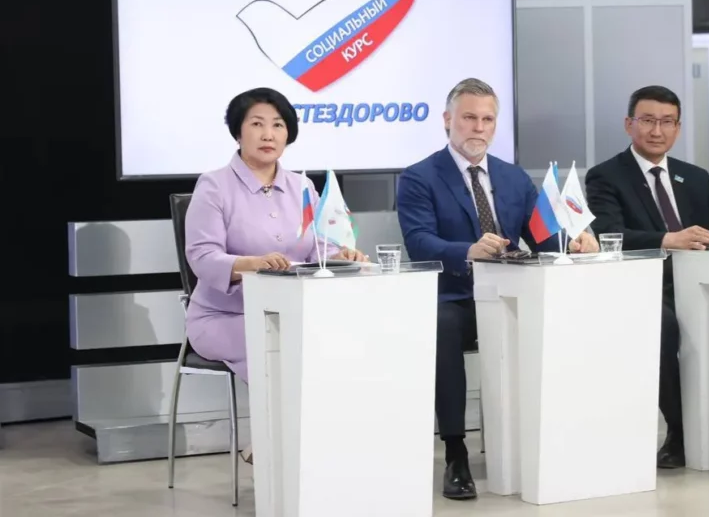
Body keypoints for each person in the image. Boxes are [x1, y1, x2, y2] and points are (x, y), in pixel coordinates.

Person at [396, 78, 599, 500]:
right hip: (456, 296)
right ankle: (456, 452)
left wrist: (574, 240)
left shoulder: (513, 177)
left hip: (513, 294)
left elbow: (543, 236)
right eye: (469, 118)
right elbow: (419, 242)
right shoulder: (419, 177)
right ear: (447, 119)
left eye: (487, 119)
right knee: (442, 326)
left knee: (566, 314)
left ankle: (560, 437)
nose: (479, 128)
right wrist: (467, 251)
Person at [185, 87, 367, 462]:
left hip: (292, 313)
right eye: (257, 124)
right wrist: (254, 263)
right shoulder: (214, 185)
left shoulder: (302, 186)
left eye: (278, 125)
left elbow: (319, 248)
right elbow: (202, 257)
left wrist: (341, 254)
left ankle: (300, 446)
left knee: (335, 343)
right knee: (287, 348)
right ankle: (280, 445)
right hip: (225, 316)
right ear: (238, 132)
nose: (268, 134)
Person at [585, 85, 709, 470]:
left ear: (678, 128)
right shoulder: (606, 176)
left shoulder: (693, 177)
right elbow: (609, 234)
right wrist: (668, 239)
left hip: (702, 282)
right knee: (664, 326)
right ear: (629, 124)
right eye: (647, 120)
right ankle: (680, 431)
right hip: (644, 286)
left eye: (667, 122)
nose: (656, 131)